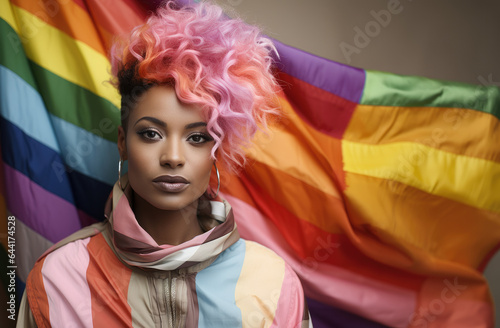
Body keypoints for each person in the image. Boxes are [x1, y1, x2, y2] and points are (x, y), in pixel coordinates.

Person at [17, 1, 311, 327]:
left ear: (218, 149)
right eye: (151, 133)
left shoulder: (272, 283)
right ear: (122, 142)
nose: (172, 156)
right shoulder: (58, 279)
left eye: (197, 137)